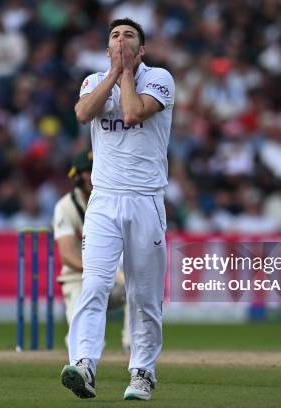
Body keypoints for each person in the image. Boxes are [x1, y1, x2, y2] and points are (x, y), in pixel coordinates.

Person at [60, 18, 174, 401]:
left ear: (142, 50)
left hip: (145, 199)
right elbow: (82, 113)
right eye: (114, 36)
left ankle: (142, 372)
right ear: (107, 49)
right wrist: (114, 72)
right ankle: (84, 364)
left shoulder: (160, 78)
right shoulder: (94, 81)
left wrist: (126, 74)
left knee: (143, 294)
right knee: (94, 285)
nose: (120, 40)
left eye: (128, 36)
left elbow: (132, 113)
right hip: (104, 200)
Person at [52, 150, 130, 350]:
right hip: (78, 279)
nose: (94, 174)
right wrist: (104, 271)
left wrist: (119, 272)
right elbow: (68, 256)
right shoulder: (65, 207)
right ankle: (81, 352)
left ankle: (132, 346)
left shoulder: (116, 202)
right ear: (76, 175)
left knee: (137, 288)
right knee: (85, 342)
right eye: (88, 171)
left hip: (113, 279)